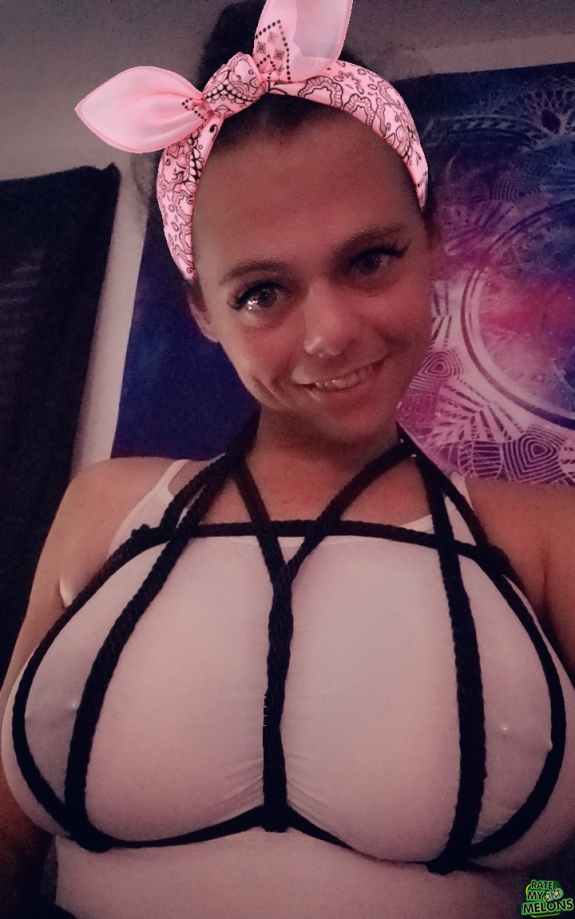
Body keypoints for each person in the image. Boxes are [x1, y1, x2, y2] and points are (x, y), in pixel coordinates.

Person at [1, 1, 575, 916]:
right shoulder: (103, 511)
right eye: (262, 291)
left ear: (429, 243)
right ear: (203, 309)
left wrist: (537, 909)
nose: (330, 333)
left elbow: (562, 882)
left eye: (369, 260)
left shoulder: (545, 536)